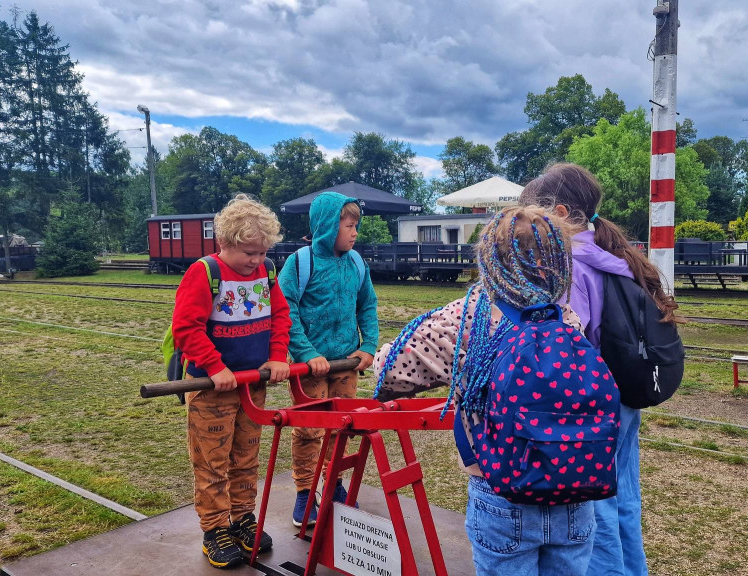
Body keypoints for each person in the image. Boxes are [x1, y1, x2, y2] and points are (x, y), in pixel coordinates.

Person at [374, 206, 599, 576]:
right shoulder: (565, 318)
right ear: (560, 262)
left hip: (500, 492)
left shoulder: (466, 317)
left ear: (489, 261)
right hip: (573, 493)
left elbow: (389, 368)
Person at [520, 163, 681, 576]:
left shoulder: (570, 264)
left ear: (557, 213)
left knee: (594, 507)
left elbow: (567, 347)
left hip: (594, 406)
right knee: (624, 496)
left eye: (532, 216)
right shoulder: (614, 256)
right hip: (627, 395)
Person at [172, 193, 293, 569]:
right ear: (223, 243)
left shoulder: (267, 272)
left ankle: (241, 518)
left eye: (261, 252)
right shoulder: (204, 273)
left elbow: (280, 318)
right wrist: (213, 366)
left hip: (251, 387)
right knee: (212, 462)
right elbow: (186, 329)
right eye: (248, 253)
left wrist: (276, 356)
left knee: (245, 458)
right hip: (211, 390)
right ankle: (214, 529)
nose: (256, 261)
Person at [278, 191, 379, 527]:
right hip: (310, 367)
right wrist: (307, 353)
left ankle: (333, 483)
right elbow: (285, 309)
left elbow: (367, 306)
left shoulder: (356, 264)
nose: (355, 233)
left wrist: (368, 346)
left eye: (355, 227)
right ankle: (305, 493)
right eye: (349, 226)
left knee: (341, 428)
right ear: (326, 226)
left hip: (346, 366)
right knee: (308, 431)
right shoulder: (300, 263)